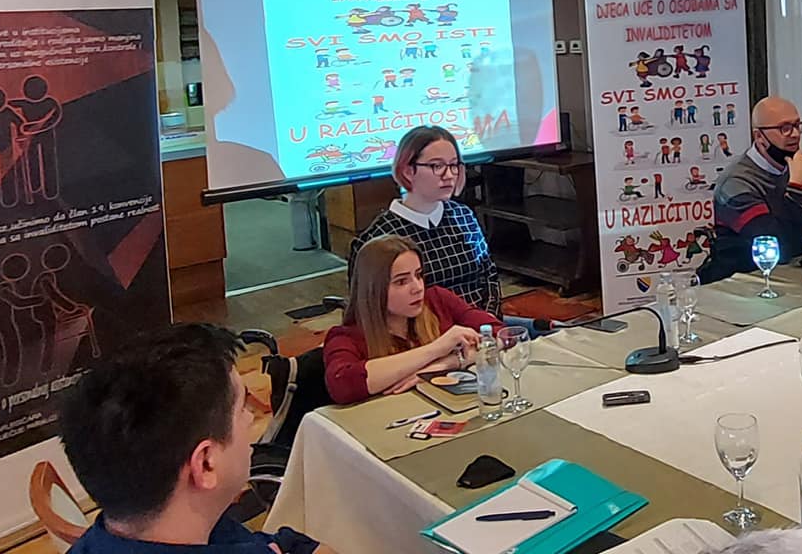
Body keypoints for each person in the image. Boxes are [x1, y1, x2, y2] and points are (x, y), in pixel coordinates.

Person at [60, 323, 332, 553]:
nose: (251, 418)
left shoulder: (116, 532)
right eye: (241, 409)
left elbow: (284, 543)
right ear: (205, 463)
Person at [325, 235, 501, 404]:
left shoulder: (437, 300)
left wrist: (448, 363)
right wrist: (438, 348)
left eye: (418, 275)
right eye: (401, 282)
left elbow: (500, 334)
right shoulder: (346, 336)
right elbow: (342, 385)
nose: (417, 288)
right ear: (374, 290)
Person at [348, 126, 501, 315]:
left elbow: (489, 275)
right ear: (407, 171)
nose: (449, 175)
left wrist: (488, 321)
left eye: (453, 165)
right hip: (426, 331)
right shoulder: (378, 239)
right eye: (437, 166)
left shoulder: (463, 215)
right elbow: (372, 312)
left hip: (480, 325)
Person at [701, 96, 802, 283]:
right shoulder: (735, 184)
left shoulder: (800, 167)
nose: (795, 134)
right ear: (759, 136)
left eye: (797, 125)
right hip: (746, 279)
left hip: (796, 272)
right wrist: (797, 187)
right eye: (785, 128)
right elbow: (778, 245)